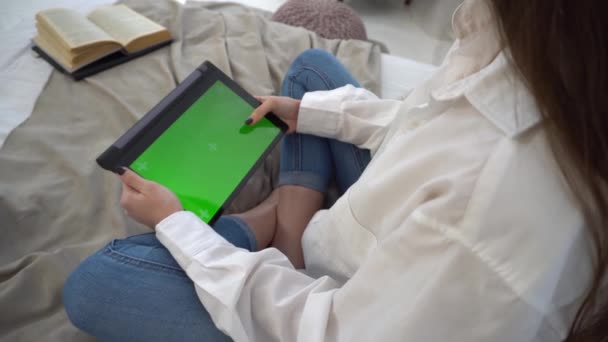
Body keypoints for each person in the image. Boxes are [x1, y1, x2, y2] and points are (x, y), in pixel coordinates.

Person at [62, 0, 608, 340]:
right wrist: (310, 113)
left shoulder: (492, 204)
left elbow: (325, 332)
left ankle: (263, 225)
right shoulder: (550, 65)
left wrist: (177, 225)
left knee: (100, 280)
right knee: (311, 71)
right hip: (381, 224)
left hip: (337, 302)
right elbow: (431, 123)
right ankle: (291, 221)